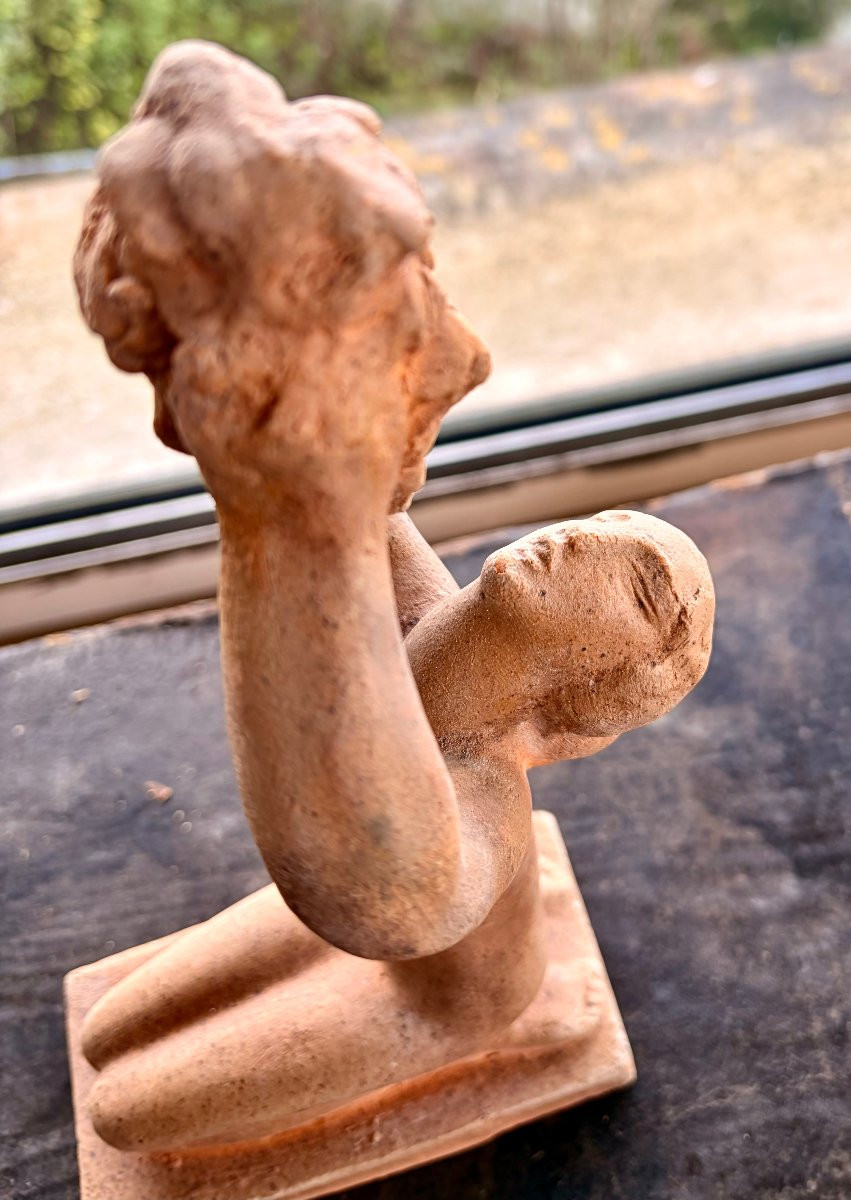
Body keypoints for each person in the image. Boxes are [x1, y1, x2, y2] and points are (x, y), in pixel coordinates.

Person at [73, 40, 714, 1153]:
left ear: (594, 696)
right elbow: (366, 500)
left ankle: (530, 1020)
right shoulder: (431, 617)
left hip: (436, 992)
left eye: (637, 584)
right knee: (108, 1026)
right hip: (364, 924)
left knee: (125, 1116)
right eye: (613, 527)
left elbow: (351, 876)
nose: (585, 541)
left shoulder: (463, 824)